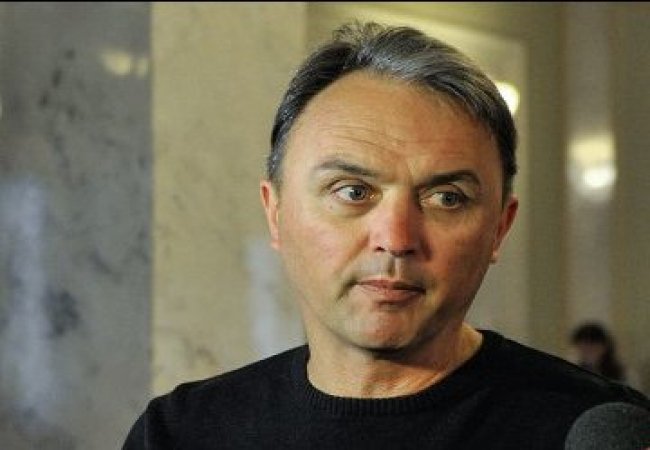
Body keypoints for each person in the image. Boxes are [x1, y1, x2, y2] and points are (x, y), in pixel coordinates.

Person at [123, 22, 649, 449]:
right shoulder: (181, 433)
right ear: (276, 212)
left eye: (446, 198)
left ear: (499, 229)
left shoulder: (596, 431)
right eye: (353, 192)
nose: (396, 238)